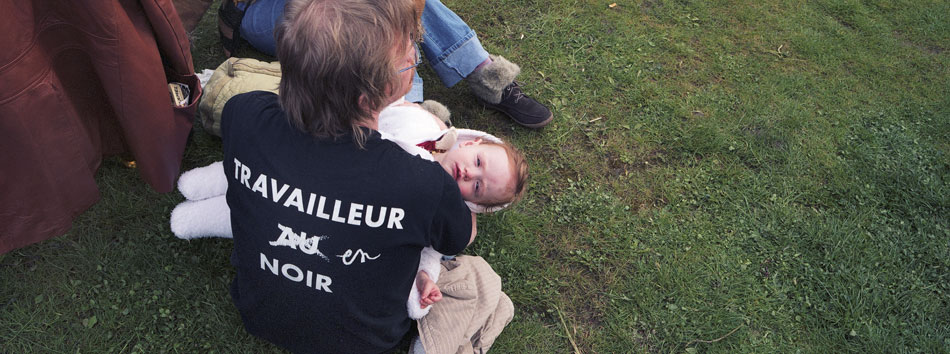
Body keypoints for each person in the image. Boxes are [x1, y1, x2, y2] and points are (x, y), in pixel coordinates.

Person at [219, 0, 474, 352]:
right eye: (408, 53)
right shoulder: (423, 182)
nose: (415, 54)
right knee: (478, 283)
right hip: (365, 340)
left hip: (258, 312)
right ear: (377, 93)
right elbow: (457, 238)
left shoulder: (242, 115)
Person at [218, 0, 554, 128]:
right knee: (376, 15)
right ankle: (410, 114)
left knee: (387, 8)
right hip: (266, 11)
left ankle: (480, 77)